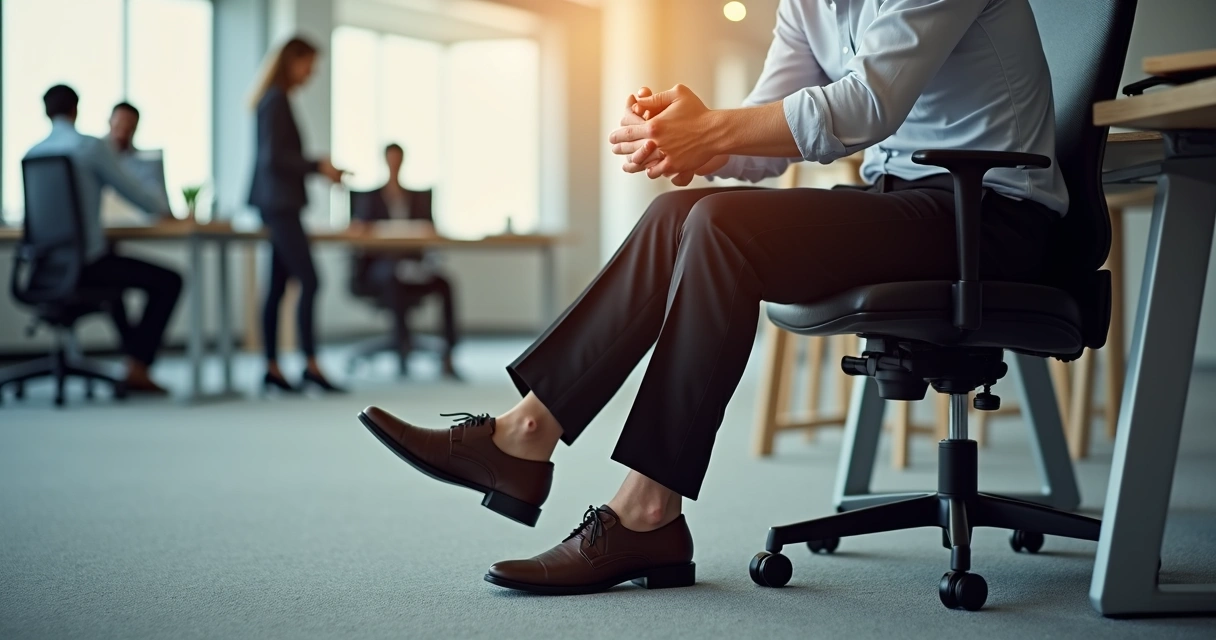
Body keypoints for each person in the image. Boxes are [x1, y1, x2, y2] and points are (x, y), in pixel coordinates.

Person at [359, 0, 1065, 595]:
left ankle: (648, 508)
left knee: (723, 228)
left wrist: (711, 130)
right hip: (902, 201)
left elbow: (865, 105)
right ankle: (525, 434)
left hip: (993, 215)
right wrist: (688, 143)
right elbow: (767, 134)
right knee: (679, 212)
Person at [24, 85, 183, 395]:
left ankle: (133, 364)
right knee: (170, 281)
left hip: (42, 267)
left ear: (46, 112)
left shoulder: (33, 153)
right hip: (86, 264)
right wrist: (166, 210)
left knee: (116, 277)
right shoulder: (89, 148)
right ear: (76, 110)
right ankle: (138, 365)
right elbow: (138, 196)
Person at [248, 36, 347, 394]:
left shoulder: (276, 99)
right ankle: (310, 363)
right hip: (279, 205)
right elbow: (274, 158)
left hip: (277, 203)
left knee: (277, 286)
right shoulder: (275, 101)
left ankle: (273, 367)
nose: (312, 73)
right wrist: (318, 165)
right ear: (293, 60)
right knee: (310, 279)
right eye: (309, 64)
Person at [351, 143, 461, 378]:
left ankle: (449, 355)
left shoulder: (418, 198)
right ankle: (402, 350)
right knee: (393, 277)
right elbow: (359, 235)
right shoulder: (370, 198)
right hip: (379, 267)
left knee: (446, 282)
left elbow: (430, 231)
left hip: (413, 264)